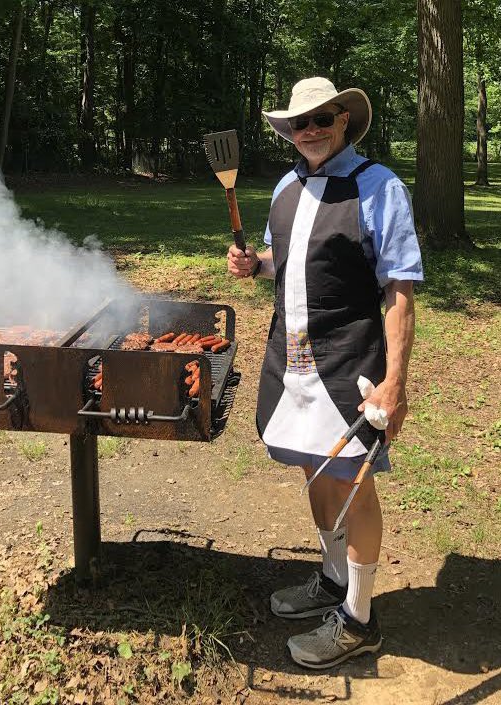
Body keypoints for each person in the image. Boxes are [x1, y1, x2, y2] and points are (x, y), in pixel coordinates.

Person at [227, 77, 423, 669]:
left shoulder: (378, 187)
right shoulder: (286, 187)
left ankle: (360, 620)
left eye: (321, 119)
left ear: (344, 121)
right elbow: (283, 264)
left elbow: (400, 289)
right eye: (298, 123)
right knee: (315, 471)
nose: (309, 131)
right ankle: (334, 581)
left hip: (349, 360)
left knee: (353, 482)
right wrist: (253, 265)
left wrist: (395, 381)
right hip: (291, 361)